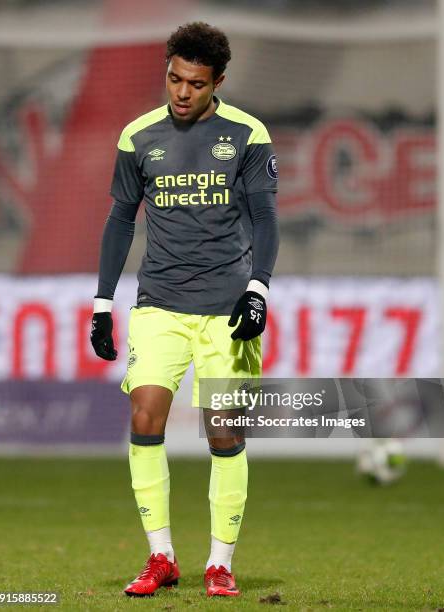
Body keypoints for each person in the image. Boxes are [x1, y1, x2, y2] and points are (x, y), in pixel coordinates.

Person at [90, 21, 279, 598]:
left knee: (223, 431)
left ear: (217, 81)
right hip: (159, 305)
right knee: (146, 414)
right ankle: (161, 556)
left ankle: (220, 563)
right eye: (174, 79)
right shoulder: (138, 137)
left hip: (226, 309)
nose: (181, 92)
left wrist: (258, 290)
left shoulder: (247, 134)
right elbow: (122, 218)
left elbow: (266, 219)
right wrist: (103, 302)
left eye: (195, 84)